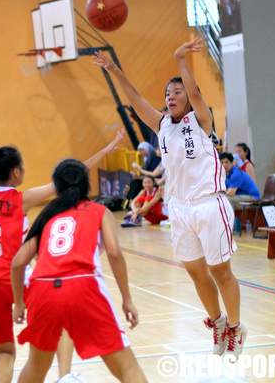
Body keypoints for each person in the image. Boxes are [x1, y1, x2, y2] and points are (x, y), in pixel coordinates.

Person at [93, 37, 247, 360]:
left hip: (209, 203)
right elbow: (135, 99)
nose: (171, 97)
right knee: (195, 271)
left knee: (220, 271)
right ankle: (218, 322)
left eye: (177, 93)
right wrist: (114, 71)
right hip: (179, 208)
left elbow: (195, 93)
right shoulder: (163, 125)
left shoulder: (201, 120)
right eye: (167, 94)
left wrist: (180, 60)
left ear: (188, 101)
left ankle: (235, 328)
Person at [0, 132, 124, 383]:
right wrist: (105, 150)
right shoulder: (21, 199)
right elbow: (69, 176)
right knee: (60, 322)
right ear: (16, 172)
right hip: (18, 278)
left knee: (5, 351)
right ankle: (64, 376)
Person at [11, 159, 147, 383]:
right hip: (83, 285)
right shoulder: (99, 211)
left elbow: (17, 263)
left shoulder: (47, 216)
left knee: (35, 368)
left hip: (43, 289)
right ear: (87, 184)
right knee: (127, 368)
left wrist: (19, 302)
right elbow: (114, 253)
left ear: (57, 186)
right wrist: (127, 299)